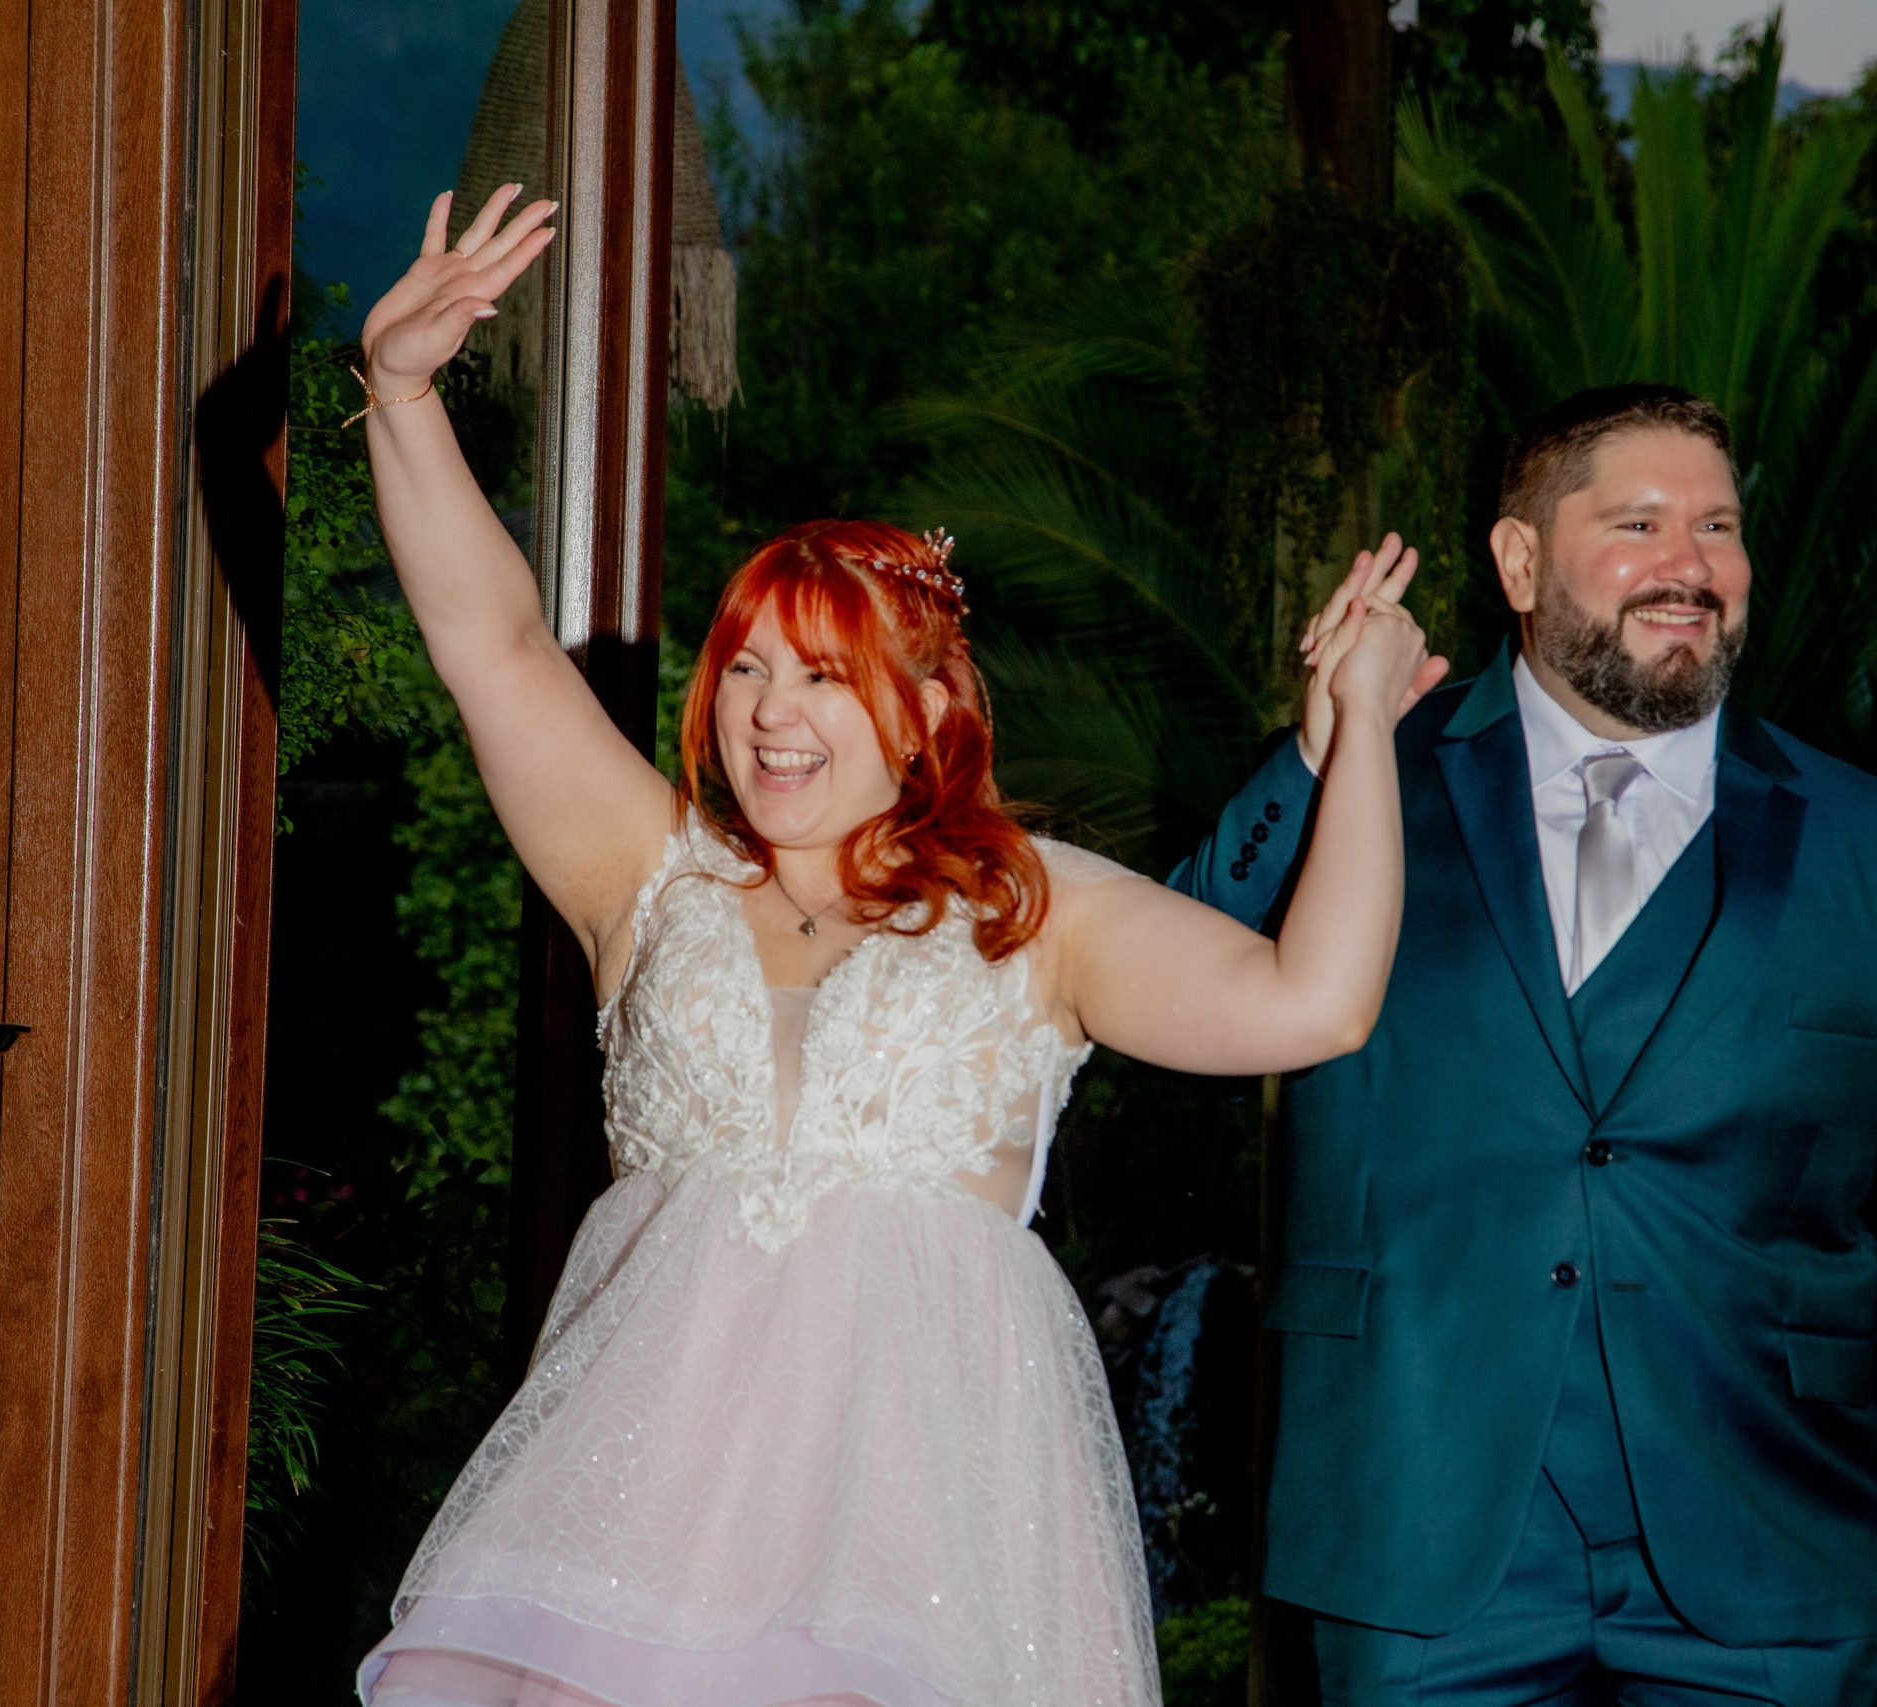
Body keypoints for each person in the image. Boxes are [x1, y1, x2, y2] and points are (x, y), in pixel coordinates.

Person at [343, 186, 1443, 1707]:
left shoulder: (1030, 908)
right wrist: (401, 393)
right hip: (628, 1550)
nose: (772, 713)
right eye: (747, 669)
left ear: (928, 709)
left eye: (827, 677)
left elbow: (1312, 1002)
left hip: (916, 1562)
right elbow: (494, 645)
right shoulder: (644, 874)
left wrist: (1363, 735)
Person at [1172, 385, 1877, 1707]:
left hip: (1777, 1555)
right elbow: (1168, 976)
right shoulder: (1368, 784)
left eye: (1717, 526)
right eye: (1637, 522)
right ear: (1521, 561)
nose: (1688, 564)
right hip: (1419, 1552)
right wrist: (1313, 750)